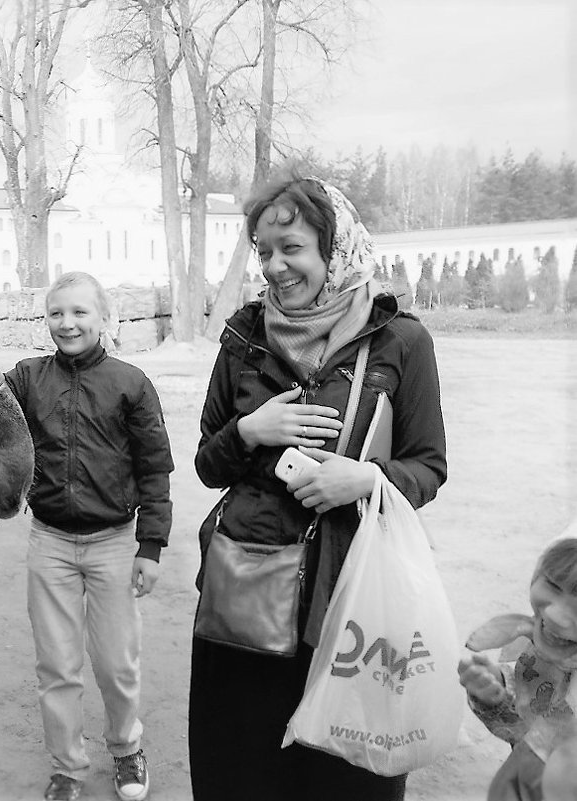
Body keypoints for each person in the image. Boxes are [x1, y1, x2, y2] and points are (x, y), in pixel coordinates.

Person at [189, 174, 447, 800]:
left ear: (335, 251)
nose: (274, 266)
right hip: (247, 594)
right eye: (263, 250)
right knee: (240, 769)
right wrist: (250, 430)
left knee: (345, 776)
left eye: (292, 248)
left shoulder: (401, 341)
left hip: (351, 599)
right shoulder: (244, 338)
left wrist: (367, 479)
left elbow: (429, 466)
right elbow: (207, 464)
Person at [5, 271, 174, 801]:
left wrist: (151, 546)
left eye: (80, 312)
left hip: (114, 544)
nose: (67, 323)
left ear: (105, 318)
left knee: (117, 663)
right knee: (56, 665)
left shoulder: (131, 384)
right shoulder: (28, 379)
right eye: (56, 313)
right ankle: (67, 770)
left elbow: (154, 470)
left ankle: (126, 751)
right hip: (50, 541)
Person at [459, 534, 577, 801]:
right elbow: (522, 731)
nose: (556, 615)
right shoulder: (539, 645)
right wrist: (496, 692)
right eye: (554, 585)